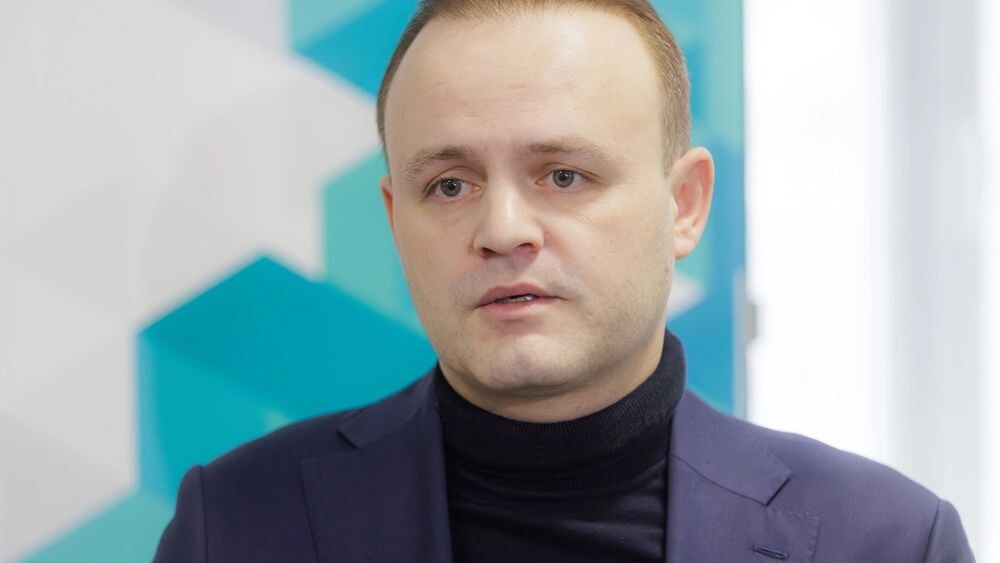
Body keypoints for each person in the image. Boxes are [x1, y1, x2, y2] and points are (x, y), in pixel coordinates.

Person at [153, 1, 975, 561]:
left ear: (685, 205)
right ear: (396, 219)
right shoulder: (235, 525)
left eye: (564, 175)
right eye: (449, 184)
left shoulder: (888, 541)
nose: (503, 228)